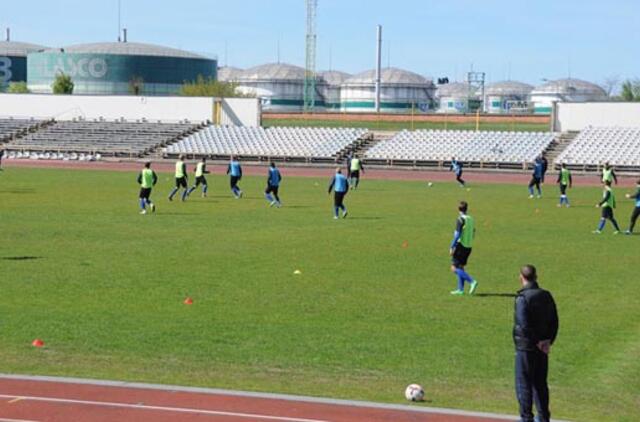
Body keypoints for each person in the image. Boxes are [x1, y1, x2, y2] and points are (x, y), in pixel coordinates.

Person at [513, 264, 559, 422]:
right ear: (536, 277)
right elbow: (555, 321)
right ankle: (544, 417)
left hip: (526, 348)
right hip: (542, 348)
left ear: (521, 277)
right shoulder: (546, 295)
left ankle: (526, 418)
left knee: (524, 385)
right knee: (540, 384)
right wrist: (547, 342)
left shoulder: (522, 298)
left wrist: (537, 342)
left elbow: (523, 325)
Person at [449, 201, 478, 296]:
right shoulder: (471, 219)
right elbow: (473, 231)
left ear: (458, 209)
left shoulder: (460, 219)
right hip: (469, 246)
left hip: (460, 246)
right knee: (461, 267)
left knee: (454, 268)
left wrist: (452, 246)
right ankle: (460, 290)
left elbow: (457, 234)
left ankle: (472, 281)